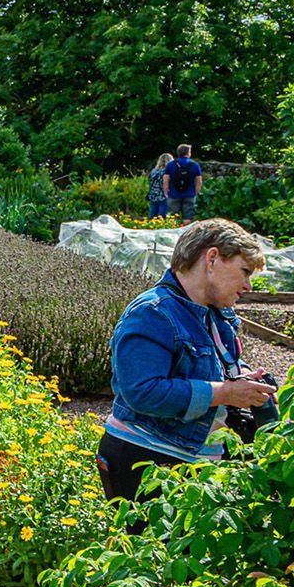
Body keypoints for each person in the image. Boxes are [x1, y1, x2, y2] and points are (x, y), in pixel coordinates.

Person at [97, 218, 275, 504]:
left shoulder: (215, 314)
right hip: (147, 461)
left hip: (193, 460)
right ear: (212, 259)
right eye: (244, 271)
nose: (248, 285)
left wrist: (246, 383)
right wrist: (227, 393)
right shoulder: (153, 313)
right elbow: (142, 391)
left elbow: (210, 369)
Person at [162, 144, 203, 224]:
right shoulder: (195, 165)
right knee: (188, 217)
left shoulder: (170, 165)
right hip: (189, 194)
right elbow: (199, 181)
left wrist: (166, 191)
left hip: (173, 194)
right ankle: (185, 233)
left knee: (172, 218)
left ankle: (172, 234)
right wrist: (195, 192)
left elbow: (165, 180)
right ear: (188, 153)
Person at [148, 152, 174, 219]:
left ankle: (149, 228)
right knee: (163, 217)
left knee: (152, 216)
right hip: (163, 195)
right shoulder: (168, 171)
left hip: (153, 195)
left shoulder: (154, 171)